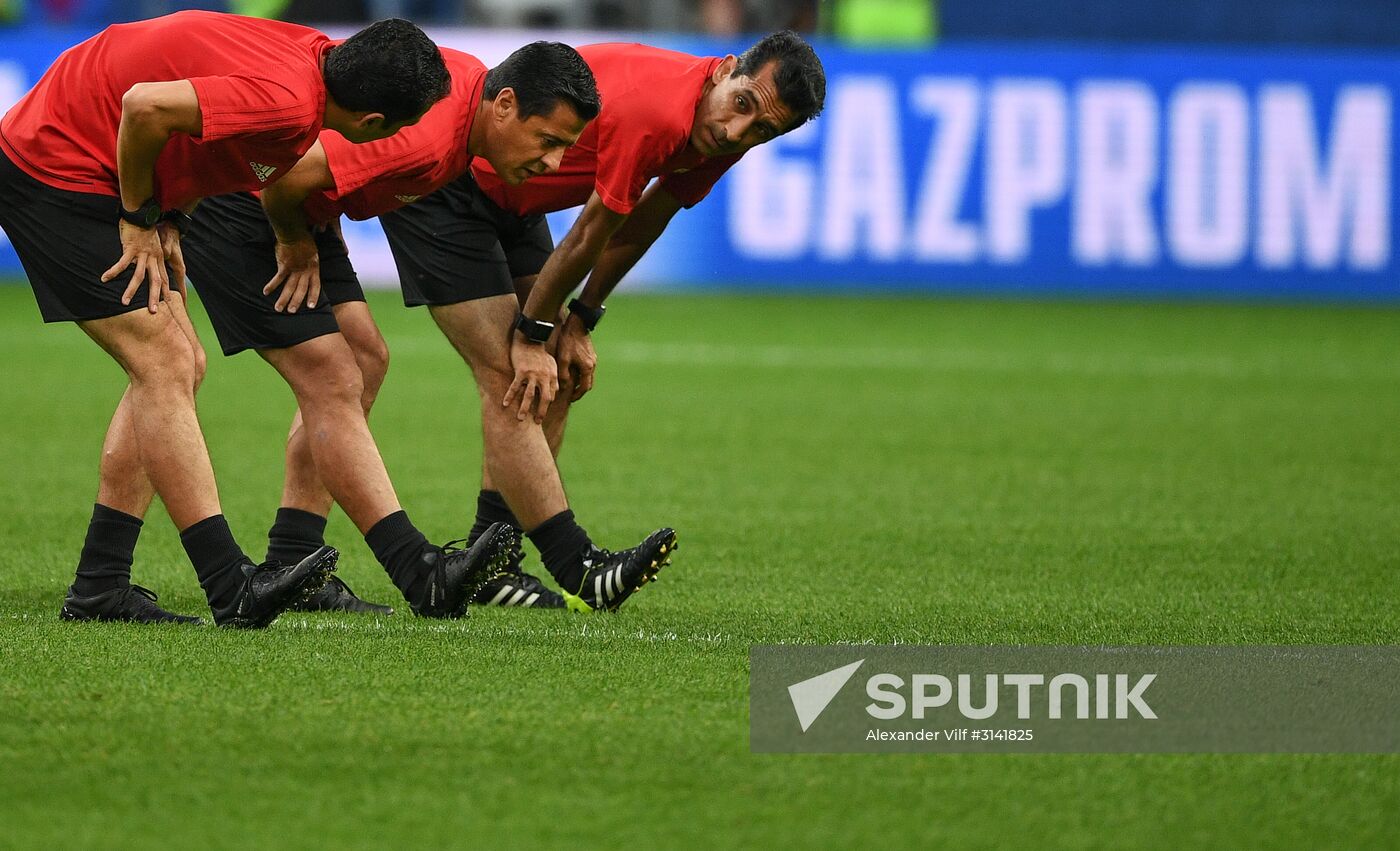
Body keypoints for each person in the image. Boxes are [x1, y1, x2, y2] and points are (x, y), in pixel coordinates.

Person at [0, 11, 454, 627]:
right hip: (56, 164)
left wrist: (170, 218)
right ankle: (228, 583)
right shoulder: (291, 104)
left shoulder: (312, 64)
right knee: (164, 363)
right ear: (372, 123)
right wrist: (137, 214)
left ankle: (100, 586)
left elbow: (200, 144)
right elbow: (144, 107)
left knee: (180, 364)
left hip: (83, 146)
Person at [377, 32, 825, 612]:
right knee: (510, 376)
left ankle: (493, 561)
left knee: (553, 374)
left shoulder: (729, 124)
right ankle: (579, 567)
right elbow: (592, 230)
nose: (736, 132)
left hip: (518, 196)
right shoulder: (659, 110)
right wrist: (534, 333)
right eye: (742, 107)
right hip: (454, 182)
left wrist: (581, 321)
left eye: (761, 131)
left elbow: (645, 220)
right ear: (728, 70)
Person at [179, 42, 605, 615]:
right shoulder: (428, 137)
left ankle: (290, 556)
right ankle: (418, 570)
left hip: (304, 207)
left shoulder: (467, 104)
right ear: (503, 105)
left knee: (362, 361)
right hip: (249, 200)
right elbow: (283, 181)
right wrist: (293, 242)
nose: (553, 165)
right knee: (329, 377)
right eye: (548, 141)